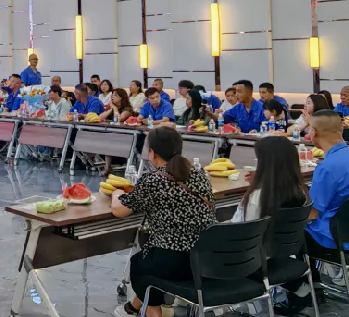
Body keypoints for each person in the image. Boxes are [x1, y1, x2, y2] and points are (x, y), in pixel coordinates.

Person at [111, 127, 216, 317]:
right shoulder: (200, 176)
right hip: (206, 259)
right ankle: (134, 308)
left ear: (152, 153)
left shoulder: (153, 181)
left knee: (140, 265)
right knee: (150, 264)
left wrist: (116, 194)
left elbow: (119, 210)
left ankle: (154, 312)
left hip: (174, 262)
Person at [301, 110, 349, 292]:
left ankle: (304, 290)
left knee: (285, 232)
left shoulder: (327, 167)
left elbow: (313, 213)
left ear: (314, 132)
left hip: (336, 238)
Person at [232, 136, 306, 223]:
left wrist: (255, 188)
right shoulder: (300, 192)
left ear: (264, 164)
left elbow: (245, 226)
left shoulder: (257, 198)